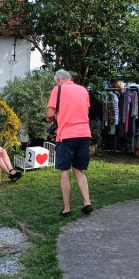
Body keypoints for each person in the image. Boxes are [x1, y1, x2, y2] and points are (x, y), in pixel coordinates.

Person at [46, 69, 93, 217]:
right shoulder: (83, 90)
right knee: (79, 169)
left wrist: (50, 119)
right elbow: (84, 110)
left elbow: (49, 114)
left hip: (67, 135)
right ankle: (87, 202)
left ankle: (67, 208)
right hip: (84, 133)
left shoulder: (57, 89)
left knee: (65, 171)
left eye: (56, 81)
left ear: (59, 79)